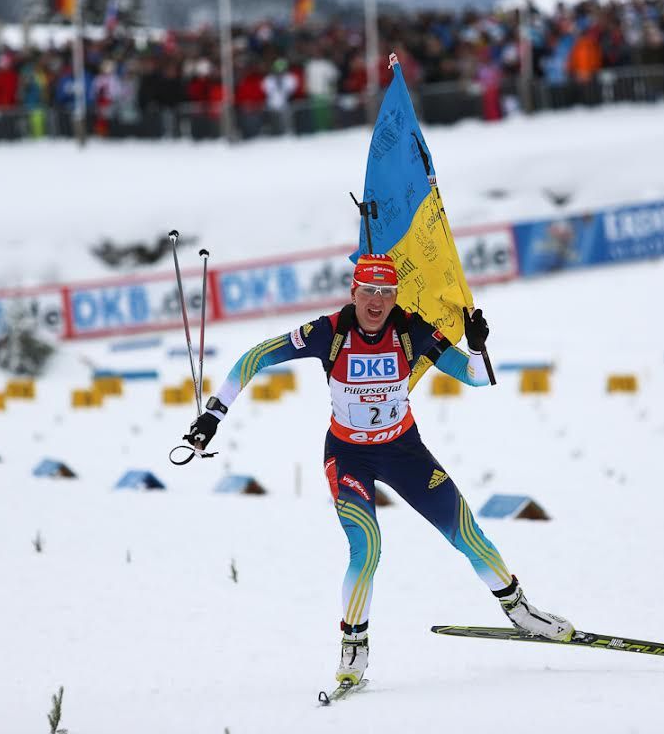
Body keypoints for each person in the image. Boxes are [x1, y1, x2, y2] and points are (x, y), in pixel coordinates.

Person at [183, 254, 572, 687]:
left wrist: (478, 346)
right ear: (354, 292)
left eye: (386, 292)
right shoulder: (327, 332)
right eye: (369, 290)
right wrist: (213, 415)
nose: (377, 301)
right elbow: (254, 358)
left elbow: (476, 378)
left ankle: (520, 611)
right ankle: (354, 646)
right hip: (349, 456)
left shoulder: (411, 329)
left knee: (466, 530)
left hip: (404, 451)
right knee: (366, 547)